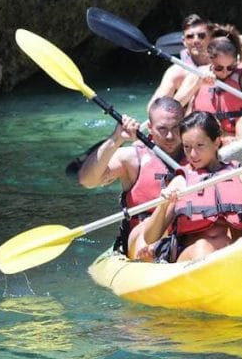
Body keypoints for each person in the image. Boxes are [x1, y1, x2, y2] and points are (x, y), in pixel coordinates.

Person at [140, 111, 242, 263]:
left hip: (237, 252)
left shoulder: (238, 173)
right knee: (202, 247)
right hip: (195, 256)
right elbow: (150, 237)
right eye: (187, 147)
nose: (193, 154)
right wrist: (163, 205)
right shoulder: (181, 181)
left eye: (200, 145)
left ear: (216, 142)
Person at [77, 96, 186, 260]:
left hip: (183, 237)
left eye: (176, 128)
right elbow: (87, 180)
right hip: (144, 243)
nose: (170, 136)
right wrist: (117, 138)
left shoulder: (197, 153)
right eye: (162, 129)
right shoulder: (132, 158)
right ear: (149, 127)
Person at [147, 14, 213, 112]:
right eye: (190, 36)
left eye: (201, 36)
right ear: (184, 41)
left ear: (211, 38)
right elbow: (152, 110)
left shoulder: (224, 65)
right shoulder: (177, 72)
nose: (196, 40)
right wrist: (194, 85)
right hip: (190, 123)